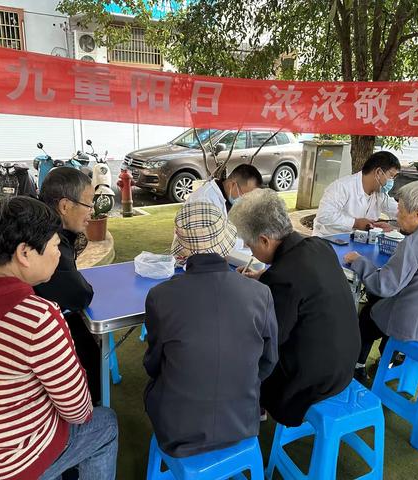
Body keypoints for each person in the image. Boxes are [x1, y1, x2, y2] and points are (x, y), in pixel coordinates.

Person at [0, 195, 118, 480]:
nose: (59, 254)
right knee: (105, 424)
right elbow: (78, 410)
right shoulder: (35, 316)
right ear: (24, 253)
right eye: (56, 246)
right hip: (8, 466)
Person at [144, 201, 278, 457]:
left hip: (177, 433)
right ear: (225, 243)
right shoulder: (261, 293)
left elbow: (153, 364)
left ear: (183, 249)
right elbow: (268, 361)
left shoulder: (160, 297)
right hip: (243, 424)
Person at [229, 189, 361, 426]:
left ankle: (253, 412)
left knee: (243, 358)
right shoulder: (319, 246)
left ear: (265, 240)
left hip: (315, 381)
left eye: (250, 246)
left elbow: (270, 339)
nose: (251, 252)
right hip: (345, 364)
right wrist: (263, 276)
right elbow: (301, 280)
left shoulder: (282, 278)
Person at [344, 181, 418, 381]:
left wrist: (359, 262)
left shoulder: (416, 242)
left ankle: (357, 367)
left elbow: (384, 286)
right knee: (385, 307)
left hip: (417, 326)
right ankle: (390, 359)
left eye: (400, 211)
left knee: (368, 315)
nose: (397, 216)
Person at [35, 167, 101, 403]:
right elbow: (78, 295)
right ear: (64, 206)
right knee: (89, 349)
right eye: (88, 204)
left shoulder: (37, 221)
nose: (92, 212)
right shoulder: (48, 240)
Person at [313, 151, 401, 236]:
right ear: (378, 172)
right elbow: (324, 216)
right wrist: (355, 223)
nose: (391, 181)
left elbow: (398, 211)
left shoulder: (380, 194)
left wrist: (395, 226)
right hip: (328, 240)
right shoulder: (342, 187)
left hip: (356, 241)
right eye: (391, 176)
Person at [187, 163, 263, 216]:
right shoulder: (204, 201)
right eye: (246, 195)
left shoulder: (228, 197)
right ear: (232, 185)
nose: (247, 200)